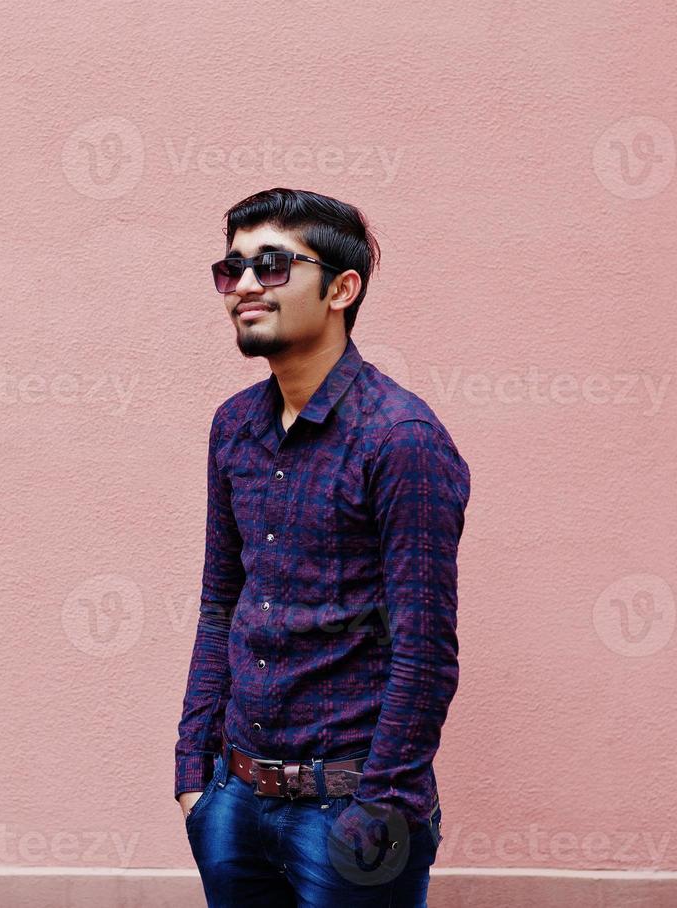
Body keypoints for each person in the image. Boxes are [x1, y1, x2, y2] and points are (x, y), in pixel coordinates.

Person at [175, 187, 471, 907]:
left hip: (350, 813)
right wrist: (193, 775)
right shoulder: (233, 426)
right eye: (232, 268)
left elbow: (424, 645)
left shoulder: (399, 438)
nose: (244, 285)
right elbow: (220, 602)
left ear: (342, 288)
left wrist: (380, 805)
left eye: (272, 265)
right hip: (233, 799)